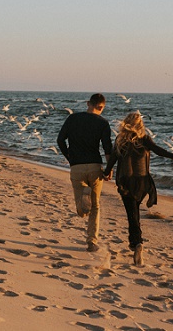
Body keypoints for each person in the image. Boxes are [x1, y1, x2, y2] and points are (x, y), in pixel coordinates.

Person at [104, 111, 173, 266]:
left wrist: (106, 173)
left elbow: (112, 159)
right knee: (135, 210)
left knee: (131, 213)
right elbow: (157, 149)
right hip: (142, 182)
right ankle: (135, 242)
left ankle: (137, 242)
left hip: (126, 181)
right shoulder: (145, 139)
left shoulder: (120, 140)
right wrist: (172, 156)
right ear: (140, 125)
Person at [57, 93, 113, 252]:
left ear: (88, 103)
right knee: (95, 206)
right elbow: (108, 148)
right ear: (101, 107)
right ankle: (91, 241)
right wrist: (109, 169)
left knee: (82, 209)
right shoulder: (103, 123)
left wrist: (69, 156)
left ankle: (83, 193)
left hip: (77, 167)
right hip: (95, 167)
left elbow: (60, 140)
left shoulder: (72, 119)